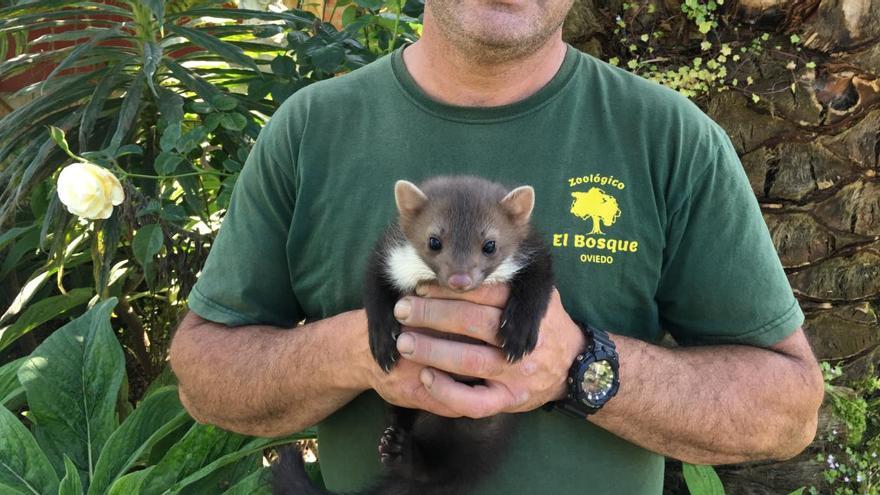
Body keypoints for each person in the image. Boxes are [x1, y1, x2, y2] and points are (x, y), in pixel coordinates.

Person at [168, 0, 826, 493]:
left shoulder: (669, 140)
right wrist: (360, 351)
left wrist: (579, 366)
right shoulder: (311, 131)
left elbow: (787, 410)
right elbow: (204, 374)